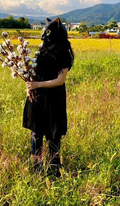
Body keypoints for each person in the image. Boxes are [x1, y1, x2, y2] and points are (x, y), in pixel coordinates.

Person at [23, 17, 74, 177]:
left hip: (53, 97)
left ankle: (54, 167)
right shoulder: (43, 48)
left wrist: (37, 85)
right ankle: (36, 165)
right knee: (36, 132)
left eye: (47, 32)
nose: (44, 36)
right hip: (37, 96)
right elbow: (33, 72)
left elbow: (60, 80)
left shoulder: (63, 52)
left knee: (53, 133)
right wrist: (29, 85)